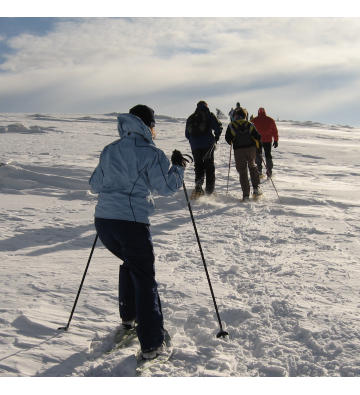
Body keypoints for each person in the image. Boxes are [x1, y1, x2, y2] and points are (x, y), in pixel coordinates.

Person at [89, 104, 186, 359]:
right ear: (147, 125)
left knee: (131, 264)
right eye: (153, 125)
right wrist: (178, 168)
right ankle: (151, 344)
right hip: (131, 224)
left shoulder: (110, 150)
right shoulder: (151, 153)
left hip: (104, 223)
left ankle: (128, 319)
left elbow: (94, 185)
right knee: (144, 277)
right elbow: (166, 187)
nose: (155, 130)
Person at [185, 100, 223, 195]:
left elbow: (187, 134)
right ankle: (209, 190)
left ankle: (198, 186)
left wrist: (194, 142)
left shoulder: (191, 117)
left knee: (198, 166)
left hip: (195, 146)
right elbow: (218, 127)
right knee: (209, 166)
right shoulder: (208, 114)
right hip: (207, 145)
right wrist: (216, 137)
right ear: (206, 106)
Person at [225, 107, 263, 201]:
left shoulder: (231, 125)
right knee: (252, 166)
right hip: (250, 149)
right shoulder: (250, 124)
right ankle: (256, 189)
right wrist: (258, 149)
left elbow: (228, 139)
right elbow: (257, 137)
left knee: (242, 171)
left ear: (237, 115)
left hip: (238, 150)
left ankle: (245, 194)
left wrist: (232, 141)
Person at [252, 107, 279, 178]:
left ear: (258, 112)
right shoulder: (270, 120)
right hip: (268, 140)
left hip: (257, 141)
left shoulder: (254, 120)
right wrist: (276, 140)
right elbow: (275, 131)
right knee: (268, 155)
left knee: (258, 154)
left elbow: (251, 131)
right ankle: (269, 170)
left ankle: (259, 170)